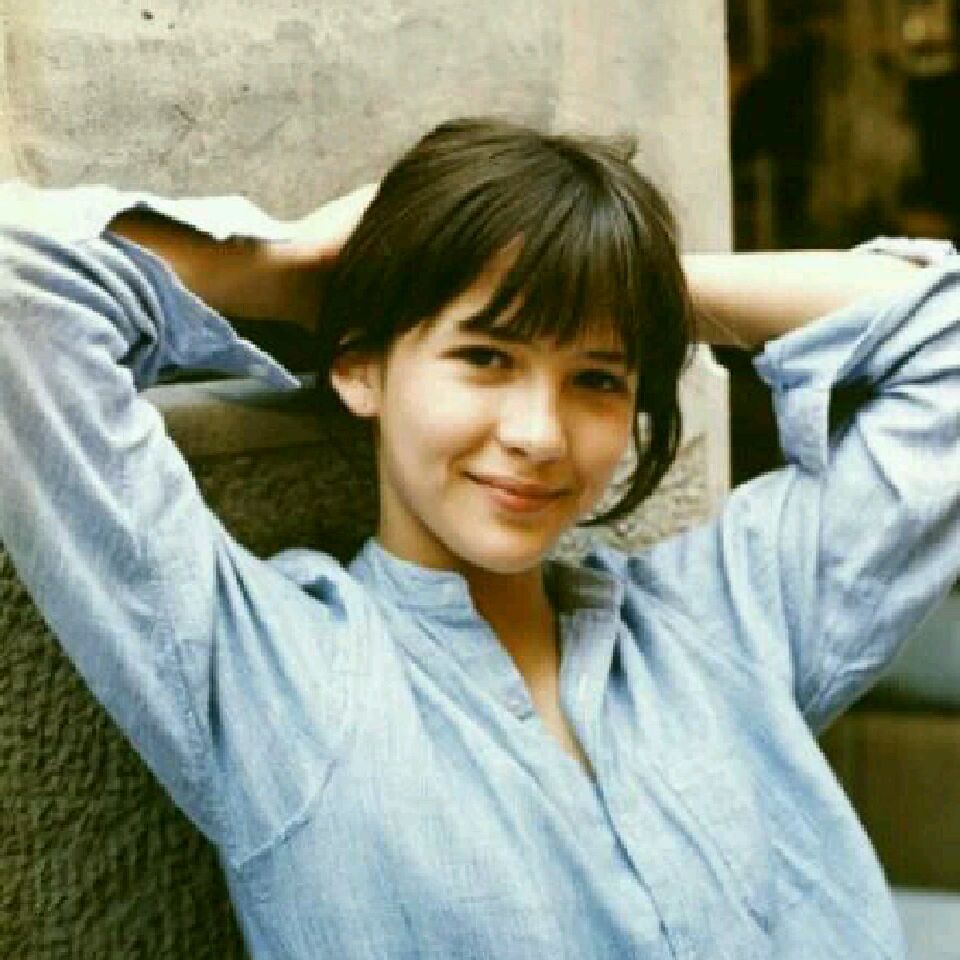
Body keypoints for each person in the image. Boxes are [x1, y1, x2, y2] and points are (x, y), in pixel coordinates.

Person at [0, 118, 956, 958]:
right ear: (360, 368)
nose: (540, 435)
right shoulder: (272, 676)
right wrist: (286, 268)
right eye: (486, 357)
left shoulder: (726, 620)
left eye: (598, 378)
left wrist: (620, 278)